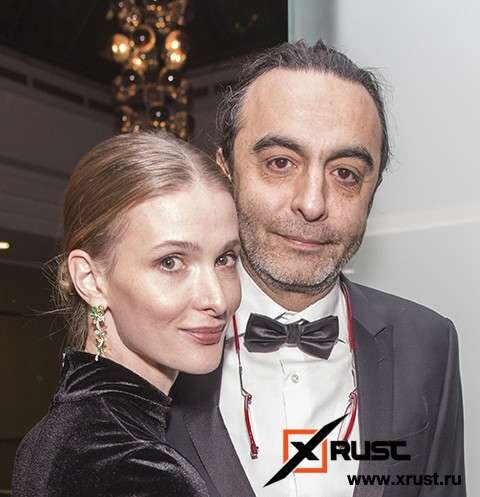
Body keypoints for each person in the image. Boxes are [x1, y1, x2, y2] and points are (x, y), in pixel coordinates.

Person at [167, 40, 466, 497]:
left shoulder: (428, 343)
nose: (312, 203)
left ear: (373, 190)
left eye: (345, 173)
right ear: (226, 171)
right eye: (280, 163)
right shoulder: (156, 340)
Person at [12, 131, 241, 497]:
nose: (217, 299)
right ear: (91, 280)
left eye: (225, 259)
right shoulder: (138, 469)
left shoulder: (57, 435)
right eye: (171, 262)